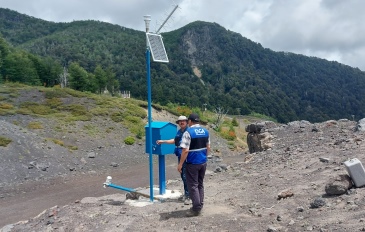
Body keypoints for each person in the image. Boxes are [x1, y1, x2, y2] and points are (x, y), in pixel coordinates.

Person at [178, 113, 210, 217]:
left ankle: (196, 209)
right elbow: (208, 147)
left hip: (192, 163)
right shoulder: (206, 131)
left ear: (190, 121)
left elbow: (185, 150)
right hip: (203, 162)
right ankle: (200, 204)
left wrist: (180, 164)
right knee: (200, 184)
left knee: (193, 185)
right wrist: (204, 158)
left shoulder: (188, 132)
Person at [156, 115, 190, 205]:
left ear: (187, 122)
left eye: (183, 121)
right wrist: (163, 141)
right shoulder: (179, 131)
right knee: (183, 175)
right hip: (180, 155)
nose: (181, 122)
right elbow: (175, 141)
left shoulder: (188, 131)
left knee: (186, 176)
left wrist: (181, 163)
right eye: (180, 121)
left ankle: (189, 196)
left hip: (186, 156)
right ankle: (187, 194)